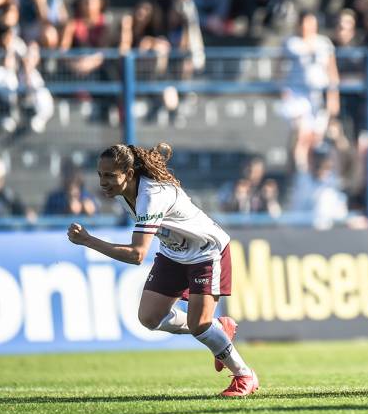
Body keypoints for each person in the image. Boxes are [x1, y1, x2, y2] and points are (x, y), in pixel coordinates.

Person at [66, 143, 260, 398]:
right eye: (101, 175)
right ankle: (218, 329)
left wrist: (89, 241)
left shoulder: (151, 195)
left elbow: (137, 254)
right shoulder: (125, 193)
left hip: (206, 251)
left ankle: (244, 375)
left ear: (129, 174)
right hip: (174, 253)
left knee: (199, 325)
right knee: (149, 318)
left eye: (110, 175)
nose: (103, 182)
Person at [280, 10, 340, 172]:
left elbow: (332, 72)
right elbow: (279, 68)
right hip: (297, 95)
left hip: (318, 95)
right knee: (301, 135)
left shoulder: (324, 43)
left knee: (316, 138)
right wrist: (283, 90)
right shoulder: (291, 43)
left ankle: (313, 172)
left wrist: (333, 97)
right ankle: (301, 172)